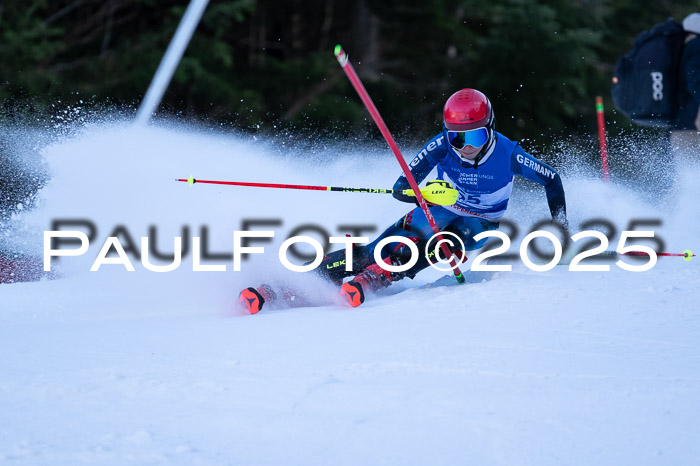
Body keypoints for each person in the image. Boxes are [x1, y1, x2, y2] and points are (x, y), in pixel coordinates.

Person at [239, 88, 567, 313]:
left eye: (476, 136)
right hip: (438, 208)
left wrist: (560, 225)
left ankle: (377, 276)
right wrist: (412, 191)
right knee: (375, 250)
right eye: (457, 137)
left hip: (480, 224)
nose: (465, 146)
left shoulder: (510, 154)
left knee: (442, 243)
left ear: (490, 129)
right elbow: (402, 185)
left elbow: (552, 179)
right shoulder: (441, 145)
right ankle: (284, 287)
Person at [671, 13, 700, 158]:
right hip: (692, 124)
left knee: (687, 175)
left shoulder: (680, 48)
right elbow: (694, 80)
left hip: (679, 124)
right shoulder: (696, 46)